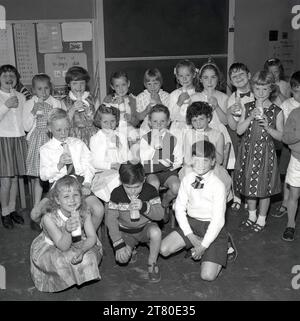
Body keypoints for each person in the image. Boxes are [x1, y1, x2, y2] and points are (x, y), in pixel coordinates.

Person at [160, 140, 228, 281]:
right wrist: (191, 237)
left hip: (212, 226)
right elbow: (179, 208)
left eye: (205, 160)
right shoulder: (187, 179)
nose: (200, 165)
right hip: (192, 224)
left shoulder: (218, 185)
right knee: (164, 249)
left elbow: (217, 220)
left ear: (213, 162)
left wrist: (202, 246)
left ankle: (223, 246)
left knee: (207, 276)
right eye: (196, 160)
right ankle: (199, 242)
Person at [32, 108, 104, 231]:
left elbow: (89, 165)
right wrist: (59, 165)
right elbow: (43, 175)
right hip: (57, 186)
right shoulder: (45, 149)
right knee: (35, 215)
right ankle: (56, 234)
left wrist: (87, 182)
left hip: (79, 182)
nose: (63, 133)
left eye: (66, 129)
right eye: (58, 130)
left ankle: (87, 234)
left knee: (99, 209)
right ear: (50, 129)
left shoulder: (78, 143)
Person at [30, 175, 102, 292]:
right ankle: (60, 279)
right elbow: (63, 246)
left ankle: (78, 273)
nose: (72, 200)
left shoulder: (84, 211)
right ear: (58, 200)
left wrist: (82, 250)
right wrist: (67, 230)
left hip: (78, 242)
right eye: (66, 196)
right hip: (54, 247)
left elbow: (92, 237)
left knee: (89, 256)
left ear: (81, 196)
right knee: (62, 261)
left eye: (75, 195)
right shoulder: (49, 218)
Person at [234, 70, 283, 232]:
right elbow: (239, 131)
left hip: (266, 154)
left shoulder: (277, 111)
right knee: (249, 186)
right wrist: (249, 117)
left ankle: (261, 220)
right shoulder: (247, 107)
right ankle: (251, 216)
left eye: (264, 89)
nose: (260, 93)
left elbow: (281, 136)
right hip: (248, 152)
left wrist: (268, 126)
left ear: (271, 90)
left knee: (264, 188)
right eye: (257, 89)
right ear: (253, 89)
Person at [106, 162, 164, 283]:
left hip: (144, 228)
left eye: (137, 187)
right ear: (121, 182)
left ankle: (152, 263)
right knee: (122, 259)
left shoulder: (150, 191)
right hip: (125, 232)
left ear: (143, 180)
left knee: (156, 232)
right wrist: (118, 243)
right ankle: (131, 249)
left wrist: (144, 207)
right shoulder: (116, 193)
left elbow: (160, 215)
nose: (132, 192)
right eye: (128, 187)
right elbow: (110, 220)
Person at [23, 74, 63, 210]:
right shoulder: (29, 103)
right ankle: (36, 205)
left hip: (53, 139)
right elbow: (26, 127)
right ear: (34, 90)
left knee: (56, 172)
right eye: (39, 89)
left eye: (46, 88)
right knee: (38, 175)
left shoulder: (56, 103)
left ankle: (56, 204)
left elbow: (61, 122)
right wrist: (34, 112)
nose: (43, 92)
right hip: (36, 142)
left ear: (50, 88)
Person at [138, 104, 182, 220]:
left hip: (168, 171)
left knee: (176, 187)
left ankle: (165, 203)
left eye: (162, 121)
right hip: (151, 172)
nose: (158, 125)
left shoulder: (173, 138)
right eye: (155, 121)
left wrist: (171, 165)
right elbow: (144, 160)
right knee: (153, 184)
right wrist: (154, 145)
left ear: (168, 122)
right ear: (149, 122)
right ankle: (155, 210)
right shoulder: (145, 139)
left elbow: (179, 159)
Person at [181, 102, 232, 201]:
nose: (198, 123)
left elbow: (220, 160)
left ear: (208, 118)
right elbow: (186, 159)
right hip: (193, 167)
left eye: (201, 119)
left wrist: (208, 144)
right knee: (193, 182)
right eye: (194, 120)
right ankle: (195, 206)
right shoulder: (189, 134)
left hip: (213, 168)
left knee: (213, 185)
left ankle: (209, 207)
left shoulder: (218, 135)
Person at [190, 61, 235, 170]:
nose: (209, 81)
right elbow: (192, 119)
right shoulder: (194, 97)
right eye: (205, 78)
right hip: (200, 132)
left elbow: (225, 121)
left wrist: (217, 106)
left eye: (213, 77)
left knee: (217, 164)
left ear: (218, 78)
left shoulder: (224, 97)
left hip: (218, 134)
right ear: (200, 79)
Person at [0, 64, 27, 229]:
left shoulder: (20, 96)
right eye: (5, 76)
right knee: (5, 180)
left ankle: (12, 209)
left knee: (16, 178)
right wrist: (6, 106)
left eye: (12, 76)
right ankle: (4, 212)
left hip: (19, 139)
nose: (9, 79)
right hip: (3, 139)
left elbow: (24, 120)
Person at [226, 62, 255, 211]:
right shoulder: (232, 99)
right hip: (241, 137)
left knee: (253, 168)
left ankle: (250, 196)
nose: (238, 78)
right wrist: (230, 112)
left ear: (249, 75)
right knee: (239, 168)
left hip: (258, 135)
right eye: (234, 76)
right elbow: (232, 126)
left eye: (241, 74)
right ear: (231, 81)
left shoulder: (259, 92)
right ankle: (237, 195)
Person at [90, 105, 131, 202]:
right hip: (103, 173)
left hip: (121, 170)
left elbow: (127, 157)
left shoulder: (121, 136)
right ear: (99, 122)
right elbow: (95, 162)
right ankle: (112, 210)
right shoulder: (96, 139)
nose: (109, 125)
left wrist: (120, 146)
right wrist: (111, 165)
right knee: (117, 182)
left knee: (129, 178)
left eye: (112, 121)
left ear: (116, 121)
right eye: (105, 122)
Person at [275, 71, 300, 219]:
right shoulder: (287, 104)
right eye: (296, 92)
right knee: (288, 178)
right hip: (289, 147)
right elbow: (282, 129)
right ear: (291, 90)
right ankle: (285, 203)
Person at [281, 71, 300, 241]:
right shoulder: (294, 113)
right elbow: (285, 138)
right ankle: (290, 225)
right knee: (294, 194)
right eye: (298, 91)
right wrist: (298, 134)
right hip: (297, 160)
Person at [61, 66, 99, 146]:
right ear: (69, 84)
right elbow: (63, 123)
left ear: (86, 83)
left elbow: (99, 121)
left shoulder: (93, 99)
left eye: (82, 83)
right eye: (75, 83)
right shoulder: (64, 101)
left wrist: (90, 113)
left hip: (92, 136)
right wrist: (73, 109)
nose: (79, 87)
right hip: (73, 137)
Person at [103, 71, 139, 142]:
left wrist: (131, 118)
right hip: (113, 132)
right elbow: (103, 118)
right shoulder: (108, 99)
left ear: (128, 84)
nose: (121, 88)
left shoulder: (133, 100)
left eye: (123, 84)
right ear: (112, 87)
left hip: (128, 132)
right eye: (117, 86)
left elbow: (137, 121)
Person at [169, 59, 197, 137]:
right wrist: (179, 102)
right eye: (181, 76)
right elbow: (170, 117)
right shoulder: (174, 94)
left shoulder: (198, 94)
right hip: (176, 130)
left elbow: (199, 114)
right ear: (177, 77)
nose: (184, 79)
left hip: (193, 129)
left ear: (194, 75)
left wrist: (191, 102)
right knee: (172, 148)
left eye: (187, 75)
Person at [136, 68, 170, 134]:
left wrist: (159, 101)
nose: (153, 87)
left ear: (160, 83)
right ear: (145, 85)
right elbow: (138, 117)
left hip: (163, 125)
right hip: (146, 126)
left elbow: (169, 115)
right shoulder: (141, 97)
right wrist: (146, 111)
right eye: (149, 84)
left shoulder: (166, 96)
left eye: (155, 83)